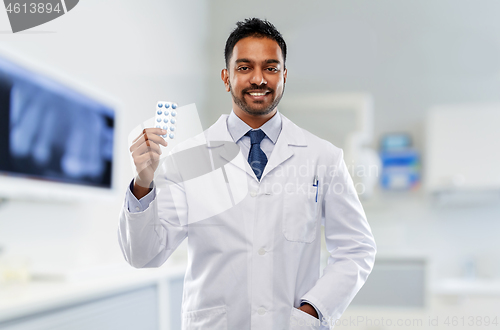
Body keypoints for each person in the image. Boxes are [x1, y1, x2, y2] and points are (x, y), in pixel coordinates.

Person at [119, 18, 376, 330]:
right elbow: (143, 255)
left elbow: (356, 249)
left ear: (284, 76)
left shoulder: (323, 157)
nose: (258, 78)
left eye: (270, 67)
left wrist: (312, 311)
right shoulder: (190, 160)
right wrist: (143, 183)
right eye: (244, 67)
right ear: (227, 78)